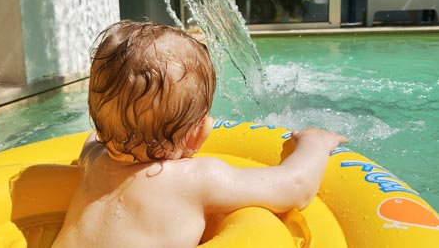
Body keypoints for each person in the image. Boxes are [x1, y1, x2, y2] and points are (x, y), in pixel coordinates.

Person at [52, 20, 348, 248]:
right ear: (198, 135)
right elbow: (295, 186)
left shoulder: (93, 159)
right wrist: (315, 144)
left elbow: (91, 140)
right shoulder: (196, 180)